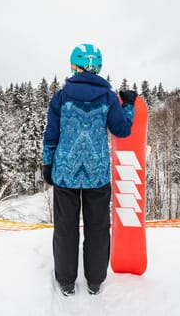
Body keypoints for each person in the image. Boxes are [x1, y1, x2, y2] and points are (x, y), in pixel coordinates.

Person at [43, 43, 137, 296]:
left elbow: (51, 134)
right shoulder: (107, 97)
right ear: (97, 67)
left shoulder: (61, 97)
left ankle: (66, 282)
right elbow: (122, 130)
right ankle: (95, 282)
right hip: (97, 175)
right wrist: (128, 104)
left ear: (74, 66)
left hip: (65, 173)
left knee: (65, 228)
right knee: (97, 229)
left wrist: (47, 163)